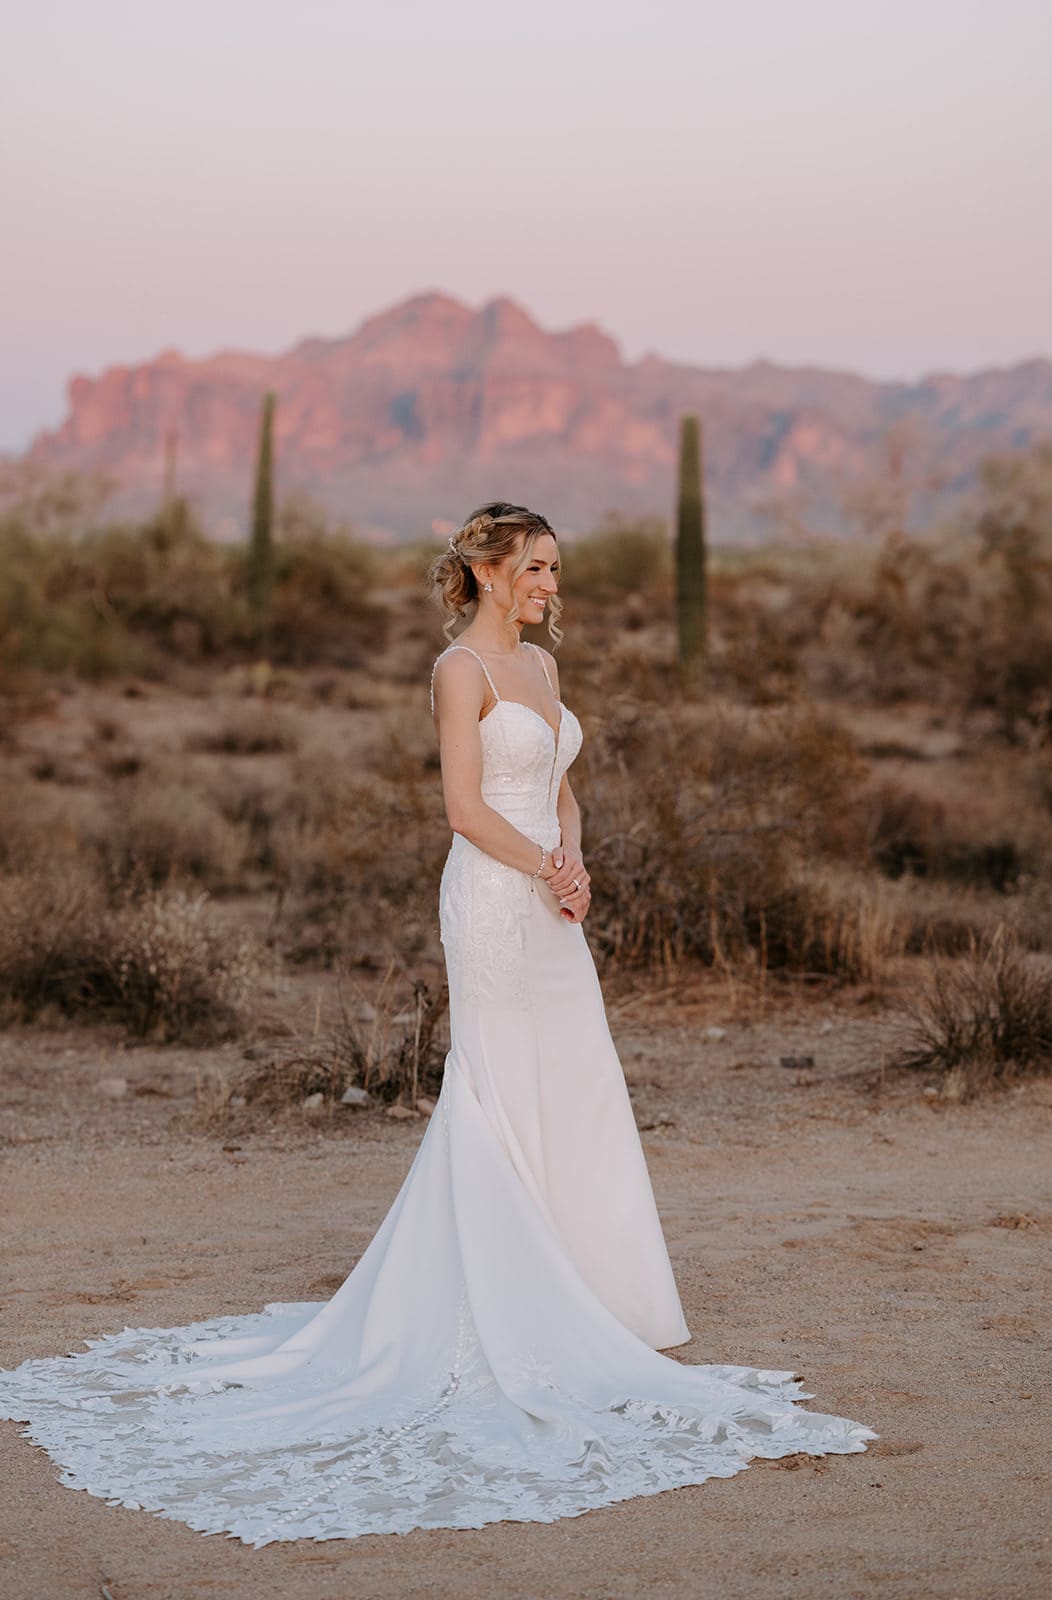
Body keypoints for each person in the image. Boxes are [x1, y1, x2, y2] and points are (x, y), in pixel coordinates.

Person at [0, 502, 875, 1546]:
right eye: (539, 566)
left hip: (549, 902)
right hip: (492, 902)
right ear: (493, 570)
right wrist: (540, 863)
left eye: (555, 567)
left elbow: (561, 786)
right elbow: (463, 807)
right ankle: (499, 1312)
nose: (553, 582)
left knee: (573, 1079)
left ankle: (598, 1300)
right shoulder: (457, 671)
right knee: (497, 1084)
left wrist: (575, 859)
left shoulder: (543, 670)